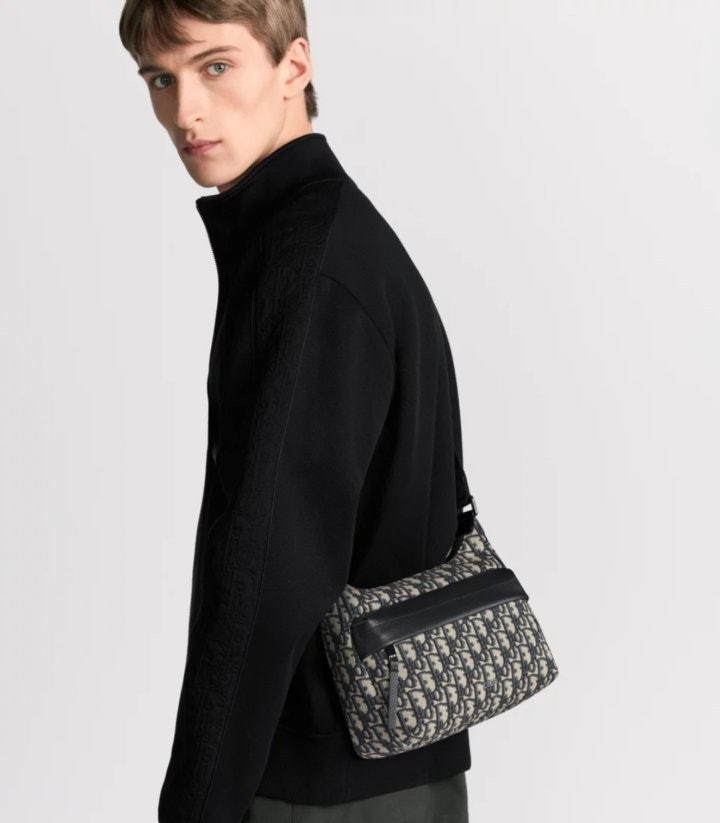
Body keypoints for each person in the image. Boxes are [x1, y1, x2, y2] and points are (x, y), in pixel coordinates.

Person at [118, 2, 472, 821]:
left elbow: (267, 572)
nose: (185, 110)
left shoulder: (308, 265)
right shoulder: (330, 236)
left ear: (294, 66)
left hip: (319, 784)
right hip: (386, 764)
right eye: (159, 80)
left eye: (215, 66)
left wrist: (197, 802)